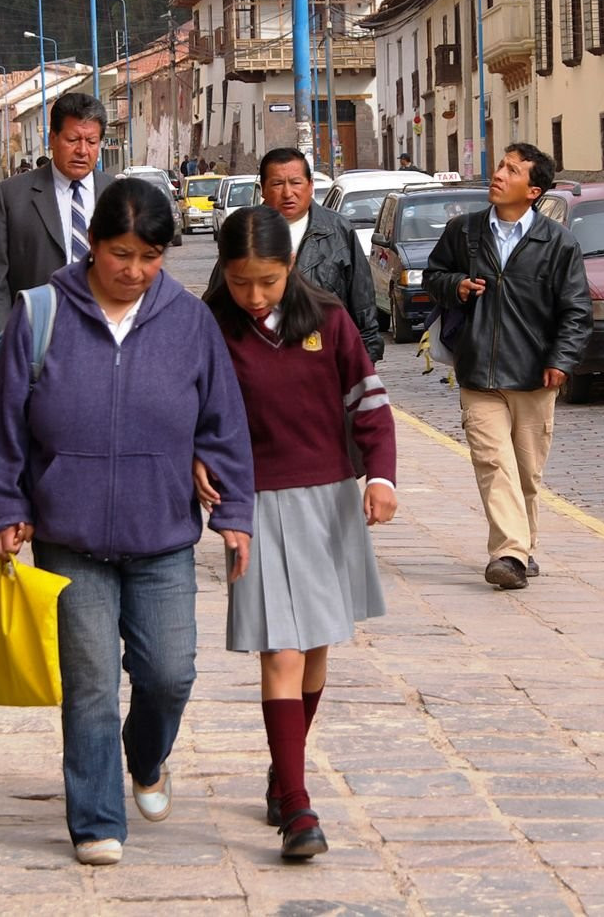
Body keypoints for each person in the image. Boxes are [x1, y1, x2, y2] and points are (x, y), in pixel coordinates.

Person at [0, 178, 255, 867]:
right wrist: (8, 507)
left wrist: (236, 515)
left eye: (150, 257)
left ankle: (147, 756)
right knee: (92, 685)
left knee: (169, 674)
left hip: (162, 534)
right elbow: (6, 424)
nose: (134, 271)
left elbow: (223, 424)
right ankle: (97, 819)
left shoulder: (189, 321)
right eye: (121, 254)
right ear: (93, 245)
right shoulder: (41, 313)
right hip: (69, 538)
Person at [199, 206, 398, 861]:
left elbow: (368, 401)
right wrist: (195, 456)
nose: (254, 297)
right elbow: (188, 408)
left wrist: (380, 478)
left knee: (315, 652)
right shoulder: (212, 330)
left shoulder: (329, 321)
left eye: (268, 281)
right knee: (281, 653)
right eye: (240, 282)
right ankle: (298, 807)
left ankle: (283, 775)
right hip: (253, 507)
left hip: (328, 501)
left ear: (290, 268)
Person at [423, 144, 591, 591]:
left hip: (535, 375)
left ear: (532, 190)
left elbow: (576, 311)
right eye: (500, 166)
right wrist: (455, 285)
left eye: (511, 170)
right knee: (494, 463)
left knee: (526, 473)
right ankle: (509, 554)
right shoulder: (465, 232)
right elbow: (432, 276)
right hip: (478, 372)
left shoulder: (558, 244)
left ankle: (523, 547)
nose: (498, 175)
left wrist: (561, 359)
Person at [0, 93, 115, 341]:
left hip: (105, 338)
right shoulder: (10, 197)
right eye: (72, 139)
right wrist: (2, 346)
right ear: (52, 138)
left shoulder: (118, 194)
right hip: (37, 340)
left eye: (92, 142)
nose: (82, 150)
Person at [244, 147, 383, 362]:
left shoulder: (337, 231)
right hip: (263, 362)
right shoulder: (245, 233)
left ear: (310, 185)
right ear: (262, 189)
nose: (288, 193)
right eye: (278, 184)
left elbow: (362, 305)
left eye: (296, 182)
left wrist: (364, 362)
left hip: (327, 361)